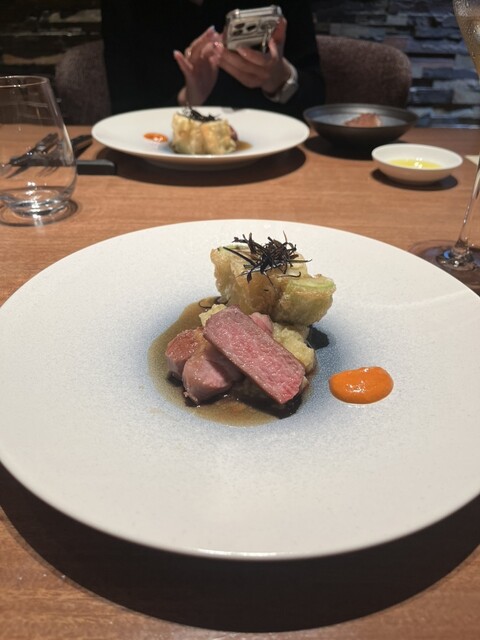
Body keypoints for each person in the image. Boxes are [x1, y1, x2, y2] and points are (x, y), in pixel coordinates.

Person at [101, 0, 325, 120]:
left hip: (276, 160)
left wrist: (279, 79)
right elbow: (125, 117)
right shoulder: (126, 7)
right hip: (164, 166)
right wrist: (187, 100)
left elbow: (316, 101)